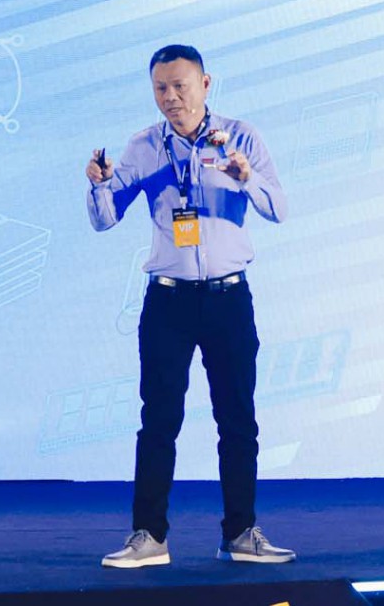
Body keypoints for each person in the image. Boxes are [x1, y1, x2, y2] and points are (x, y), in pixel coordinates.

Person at [85, 43, 294, 568]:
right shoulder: (144, 146)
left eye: (180, 86)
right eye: (160, 88)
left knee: (237, 420)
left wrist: (245, 177)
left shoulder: (241, 138)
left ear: (205, 83)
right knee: (158, 421)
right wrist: (99, 185)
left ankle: (241, 534)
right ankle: (149, 537)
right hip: (169, 302)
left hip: (228, 297)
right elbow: (106, 219)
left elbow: (278, 209)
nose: (171, 97)